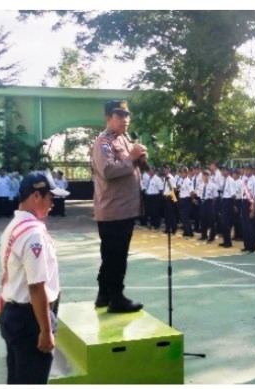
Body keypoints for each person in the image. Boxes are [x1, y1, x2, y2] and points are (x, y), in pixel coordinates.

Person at [0, 171, 69, 384]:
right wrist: (46, 331)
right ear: (36, 196)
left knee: (17, 379)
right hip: (30, 320)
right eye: (50, 198)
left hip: (12, 314)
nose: (52, 204)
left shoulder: (14, 226)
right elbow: (36, 287)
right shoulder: (33, 234)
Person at [91, 100, 146, 313]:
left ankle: (104, 295)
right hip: (113, 210)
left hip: (125, 208)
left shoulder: (124, 140)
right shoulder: (103, 142)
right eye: (119, 115)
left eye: (127, 115)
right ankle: (117, 298)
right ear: (108, 118)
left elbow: (129, 168)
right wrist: (131, 159)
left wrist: (139, 160)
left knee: (112, 255)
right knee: (116, 256)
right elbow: (108, 171)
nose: (125, 119)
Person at [197, 169, 218, 243]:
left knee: (211, 221)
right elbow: (199, 195)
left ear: (209, 176)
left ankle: (212, 237)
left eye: (207, 175)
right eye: (204, 175)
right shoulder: (200, 185)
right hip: (202, 203)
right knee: (203, 220)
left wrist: (212, 205)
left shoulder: (213, 186)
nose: (205, 177)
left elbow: (215, 197)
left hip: (210, 203)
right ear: (202, 176)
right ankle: (204, 235)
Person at [177, 167, 195, 238]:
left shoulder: (188, 181)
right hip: (181, 200)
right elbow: (179, 189)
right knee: (182, 217)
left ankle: (190, 233)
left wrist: (192, 199)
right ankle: (185, 232)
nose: (181, 173)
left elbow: (191, 192)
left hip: (186, 200)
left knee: (186, 217)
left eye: (182, 172)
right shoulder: (182, 180)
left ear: (186, 173)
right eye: (180, 172)